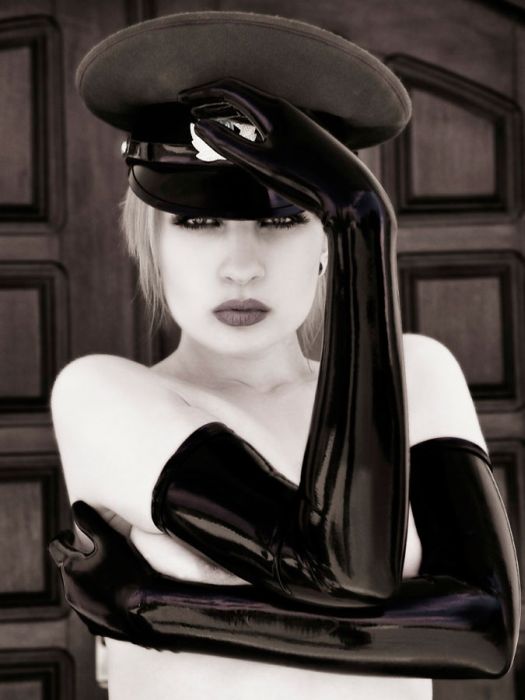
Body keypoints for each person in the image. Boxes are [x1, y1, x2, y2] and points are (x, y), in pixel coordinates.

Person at [48, 11, 520, 700]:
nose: (241, 267)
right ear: (150, 240)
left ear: (326, 242)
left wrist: (155, 609)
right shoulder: (101, 397)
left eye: (281, 219)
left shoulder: (420, 375)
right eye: (199, 222)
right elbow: (334, 574)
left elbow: (484, 632)